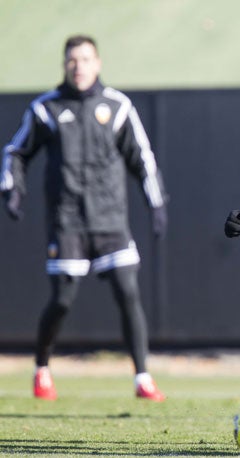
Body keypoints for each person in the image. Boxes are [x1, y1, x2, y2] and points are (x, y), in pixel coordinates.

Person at [0, 35, 167, 402]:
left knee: (128, 292)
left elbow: (143, 159)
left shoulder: (117, 106)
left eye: (86, 59)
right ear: (65, 65)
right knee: (62, 299)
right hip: (68, 221)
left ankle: (143, 379)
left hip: (111, 221)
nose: (79, 66)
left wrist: (156, 204)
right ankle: (41, 368)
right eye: (72, 60)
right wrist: (12, 188)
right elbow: (15, 152)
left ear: (98, 64)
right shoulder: (46, 108)